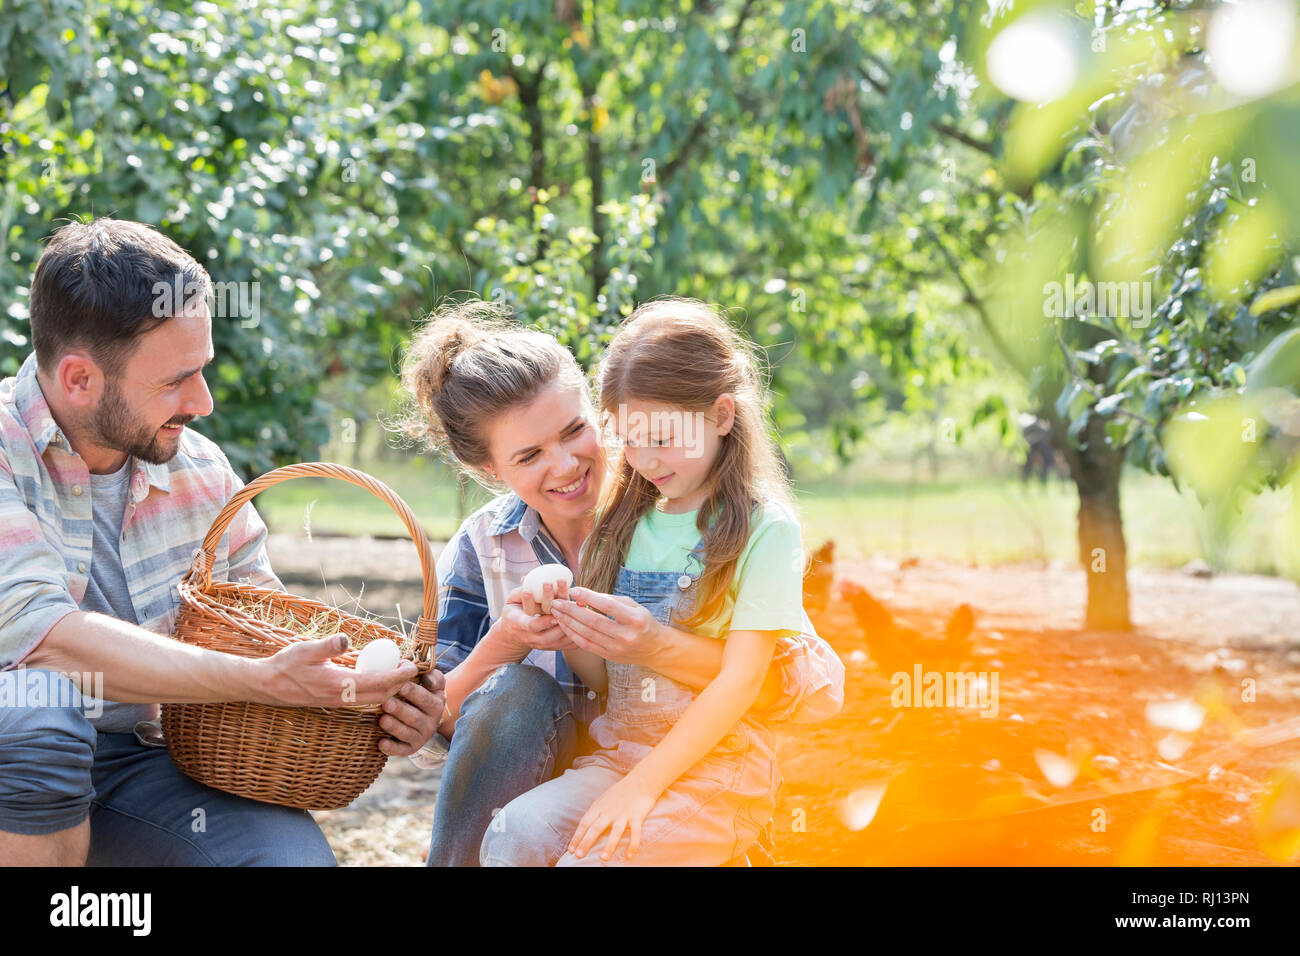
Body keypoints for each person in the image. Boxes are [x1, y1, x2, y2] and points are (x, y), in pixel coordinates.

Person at [0, 218, 446, 866]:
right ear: (78, 380)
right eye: (175, 380)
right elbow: (44, 640)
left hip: (147, 763)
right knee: (42, 716)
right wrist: (261, 679)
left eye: (203, 370)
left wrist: (368, 696)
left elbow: (266, 636)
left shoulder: (200, 469)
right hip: (15, 762)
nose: (203, 401)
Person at [397, 299, 843, 867]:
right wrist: (522, 638)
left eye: (576, 430)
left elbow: (796, 684)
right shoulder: (484, 545)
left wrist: (655, 646)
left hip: (694, 770)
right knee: (516, 698)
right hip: (593, 766)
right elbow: (441, 721)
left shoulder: (684, 513)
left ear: (596, 411)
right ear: (491, 469)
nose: (564, 465)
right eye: (530, 454)